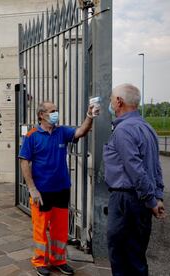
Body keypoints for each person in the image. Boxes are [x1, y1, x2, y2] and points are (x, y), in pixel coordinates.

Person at [19, 101, 96, 276]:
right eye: (52, 111)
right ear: (41, 115)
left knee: (60, 229)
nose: (56, 113)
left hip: (61, 189)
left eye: (57, 110)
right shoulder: (32, 136)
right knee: (40, 229)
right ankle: (39, 262)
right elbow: (24, 161)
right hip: (42, 192)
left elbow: (81, 131)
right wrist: (32, 189)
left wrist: (90, 116)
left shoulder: (62, 132)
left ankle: (58, 260)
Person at [103, 83, 165, 276]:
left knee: (120, 256)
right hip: (141, 201)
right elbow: (155, 166)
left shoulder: (123, 131)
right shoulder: (147, 127)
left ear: (119, 102)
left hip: (125, 201)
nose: (110, 103)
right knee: (137, 256)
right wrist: (157, 196)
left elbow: (135, 169)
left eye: (112, 99)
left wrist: (150, 198)